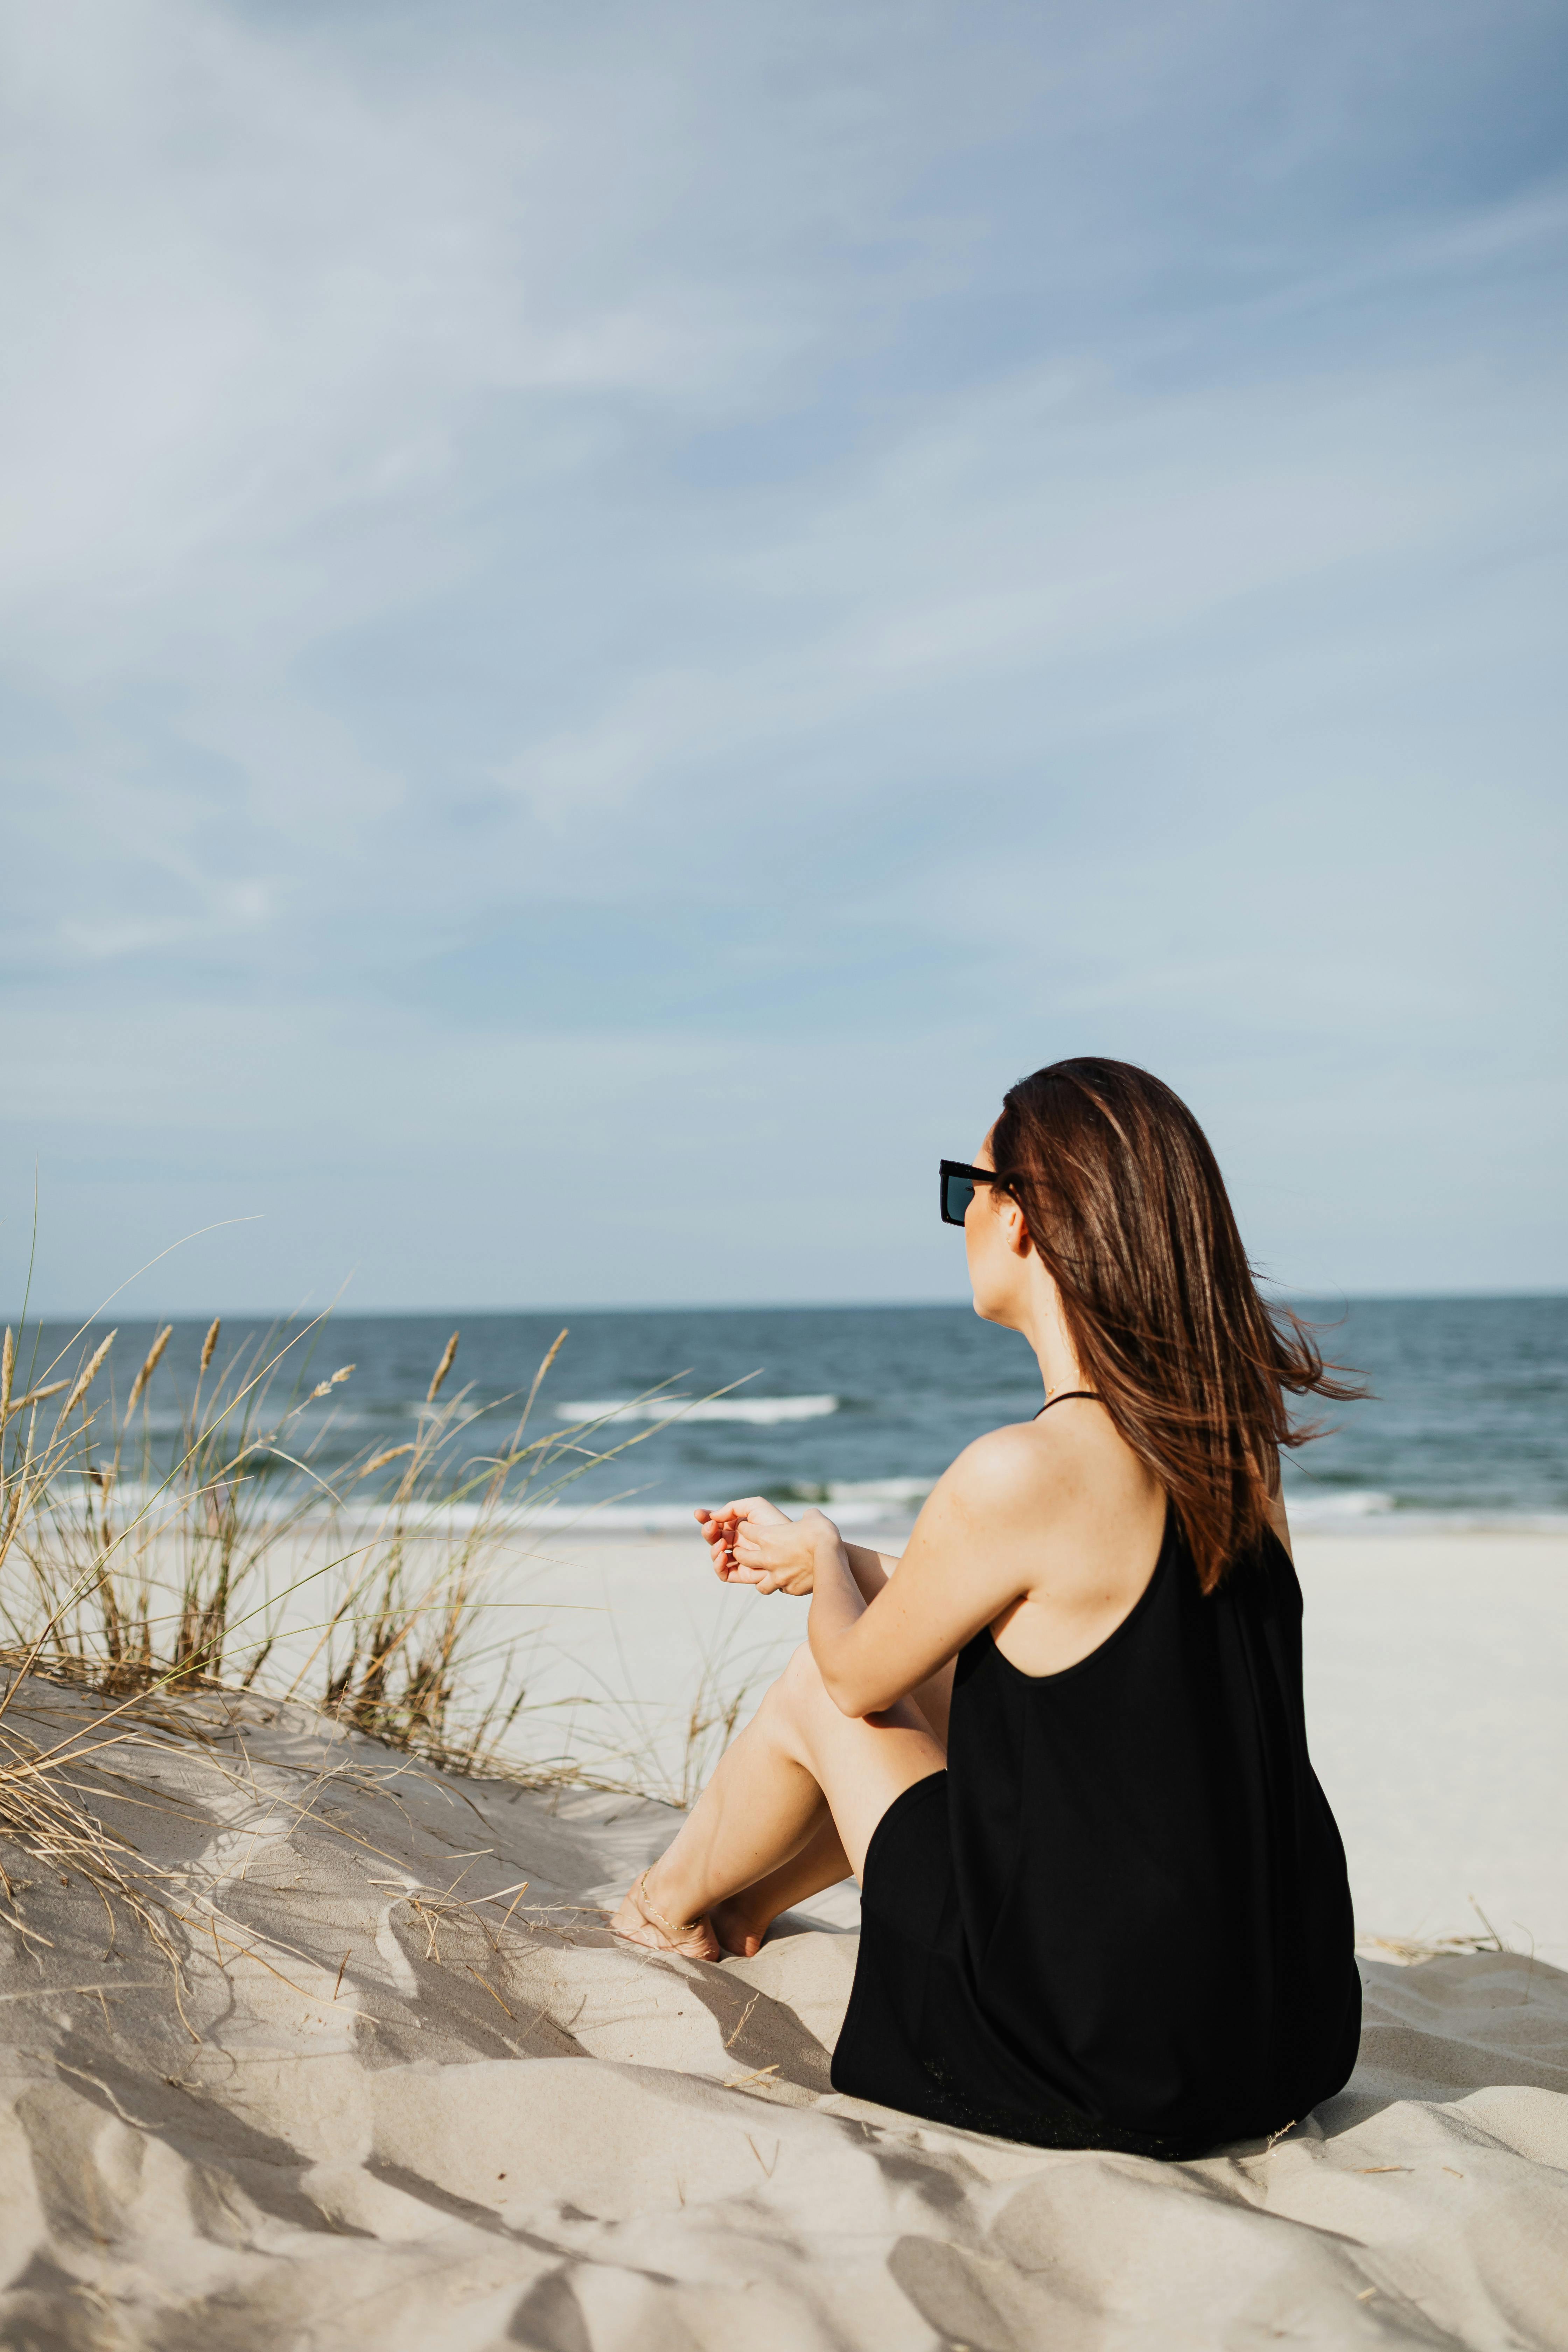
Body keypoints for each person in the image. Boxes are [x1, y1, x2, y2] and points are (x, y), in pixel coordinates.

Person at [610, 1058, 1363, 2158]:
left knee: (818, 1688)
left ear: (1026, 1219)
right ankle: (735, 1908)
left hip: (1097, 2059)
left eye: (971, 1187)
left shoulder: (1023, 1468)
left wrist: (822, 1557)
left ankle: (667, 1908)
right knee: (964, 1678)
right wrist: (848, 1563)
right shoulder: (1234, 1451)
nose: (961, 1217)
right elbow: (1076, 1619)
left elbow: (860, 1676)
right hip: (1277, 2041)